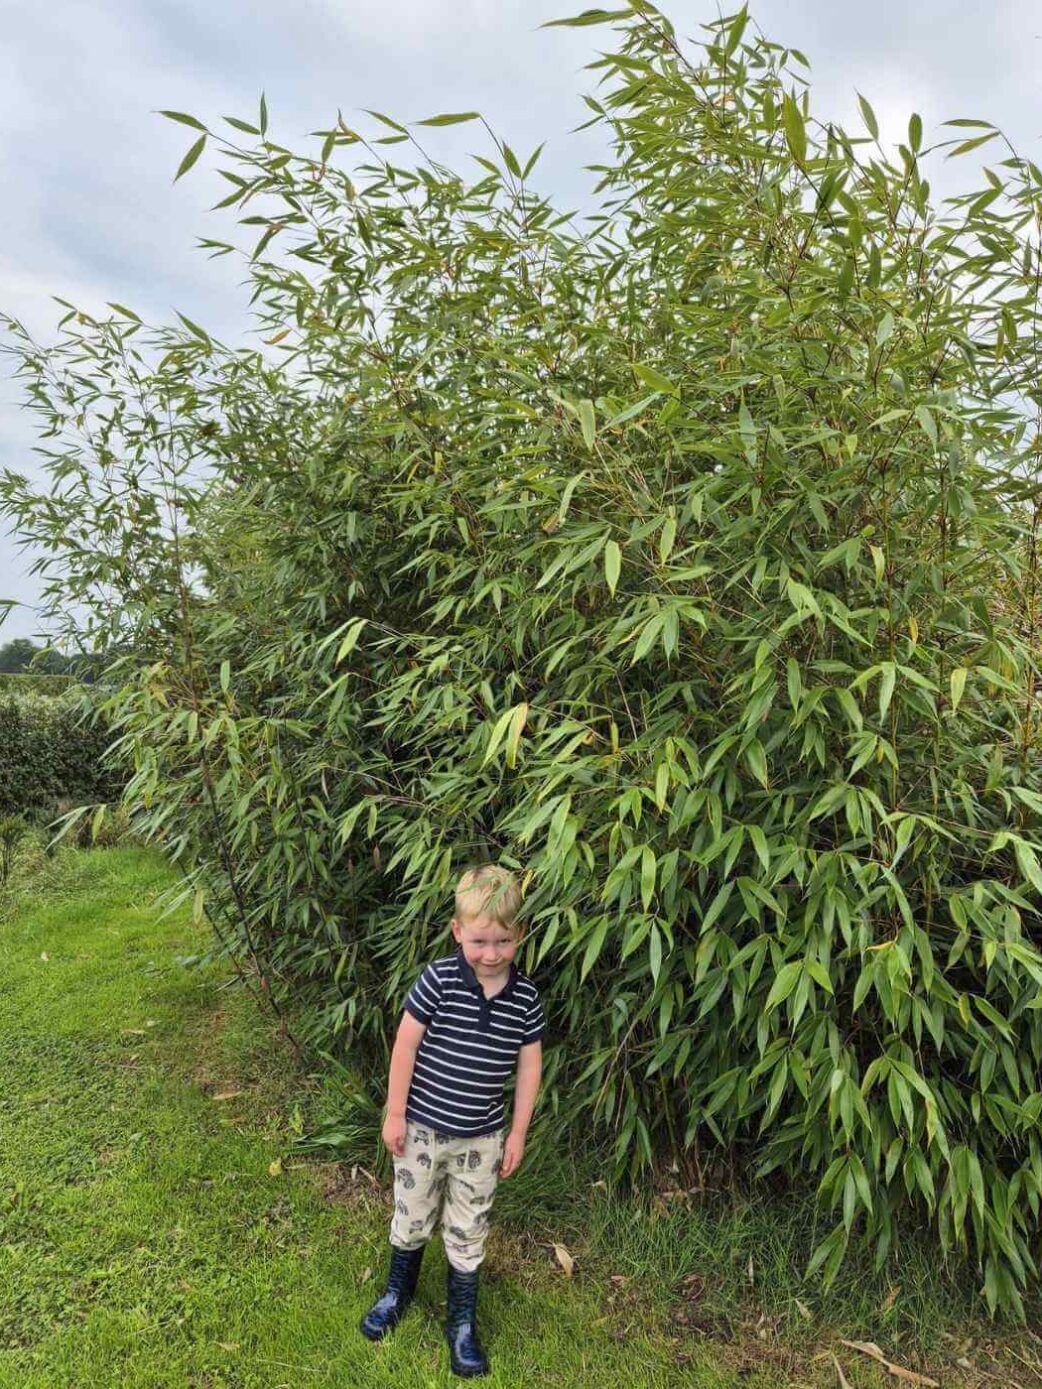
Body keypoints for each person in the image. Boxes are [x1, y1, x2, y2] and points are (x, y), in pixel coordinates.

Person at [359, 864, 544, 1377]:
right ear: (458, 931)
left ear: (520, 934)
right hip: (420, 1130)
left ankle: (461, 1321)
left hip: (482, 1139)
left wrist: (518, 1132)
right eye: (480, 940)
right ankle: (398, 1292)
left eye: (503, 941)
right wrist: (395, 1113)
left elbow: (530, 1066)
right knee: (412, 1213)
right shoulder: (438, 979)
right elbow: (406, 1044)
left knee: (469, 1226)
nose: (491, 953)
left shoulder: (525, 998)